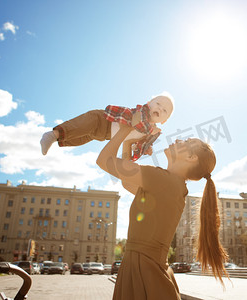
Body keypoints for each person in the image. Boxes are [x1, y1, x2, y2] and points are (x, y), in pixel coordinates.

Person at [96, 123, 228, 300]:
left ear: (190, 157)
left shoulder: (162, 180)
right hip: (147, 269)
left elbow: (104, 160)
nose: (178, 139)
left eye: (186, 141)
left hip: (143, 270)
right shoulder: (173, 185)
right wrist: (128, 144)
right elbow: (126, 182)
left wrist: (125, 129)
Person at [39, 93, 174, 159]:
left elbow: (135, 147)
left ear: (164, 121)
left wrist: (145, 149)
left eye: (165, 111)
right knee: (80, 126)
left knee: (81, 137)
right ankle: (52, 135)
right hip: (103, 119)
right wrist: (150, 131)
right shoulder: (142, 112)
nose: (160, 109)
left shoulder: (152, 133)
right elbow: (138, 124)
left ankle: (58, 139)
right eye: (158, 104)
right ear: (149, 103)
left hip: (105, 135)